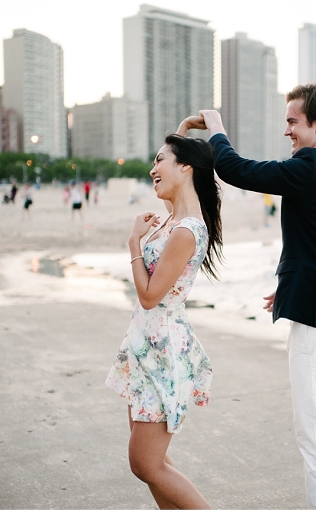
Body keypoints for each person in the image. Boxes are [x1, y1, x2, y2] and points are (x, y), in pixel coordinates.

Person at [182, 82, 316, 510]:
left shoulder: (312, 165)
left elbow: (239, 171)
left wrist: (216, 131)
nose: (287, 130)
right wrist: (294, 283)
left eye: (293, 121)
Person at [104, 129, 222, 510]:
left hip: (163, 349)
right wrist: (186, 127)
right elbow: (182, 149)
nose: (152, 167)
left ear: (185, 167)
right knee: (154, 463)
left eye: (160, 160)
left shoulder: (188, 229)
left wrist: (133, 245)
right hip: (143, 344)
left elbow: (151, 296)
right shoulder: (172, 220)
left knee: (145, 463)